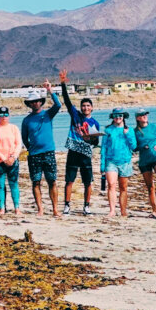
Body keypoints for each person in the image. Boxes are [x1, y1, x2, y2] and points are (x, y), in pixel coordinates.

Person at [59, 70, 101, 215]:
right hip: (73, 150)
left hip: (86, 153)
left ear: (92, 108)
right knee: (69, 180)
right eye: (83, 106)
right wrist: (63, 83)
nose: (85, 108)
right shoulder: (75, 115)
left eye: (88, 106)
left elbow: (96, 142)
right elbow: (66, 100)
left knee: (87, 182)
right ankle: (67, 205)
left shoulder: (95, 122)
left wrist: (90, 138)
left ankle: (87, 206)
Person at [20, 82, 62, 217]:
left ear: (41, 102)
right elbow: (24, 138)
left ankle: (55, 209)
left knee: (52, 181)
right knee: (36, 182)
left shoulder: (48, 114)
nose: (35, 104)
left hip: (49, 152)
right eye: (32, 102)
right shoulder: (26, 120)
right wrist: (32, 148)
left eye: (37, 101)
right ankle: (40, 209)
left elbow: (58, 105)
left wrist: (50, 90)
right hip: (34, 155)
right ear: (29, 104)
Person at [134, 109, 156, 218]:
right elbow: (134, 147)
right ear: (137, 118)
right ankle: (154, 211)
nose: (144, 116)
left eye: (145, 114)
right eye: (141, 115)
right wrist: (141, 147)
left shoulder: (154, 128)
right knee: (150, 186)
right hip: (144, 161)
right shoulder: (135, 131)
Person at [101, 109, 136, 218]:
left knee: (123, 188)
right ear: (112, 117)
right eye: (116, 115)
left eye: (120, 115)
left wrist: (127, 135)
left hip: (125, 161)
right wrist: (102, 164)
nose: (118, 117)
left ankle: (123, 211)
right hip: (110, 161)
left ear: (123, 117)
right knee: (111, 185)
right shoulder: (108, 130)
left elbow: (134, 147)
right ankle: (112, 211)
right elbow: (103, 148)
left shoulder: (129, 130)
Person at [0, 106, 22, 215]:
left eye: (6, 115)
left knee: (13, 184)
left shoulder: (14, 128)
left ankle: (17, 208)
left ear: (9, 115)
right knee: (0, 185)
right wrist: (3, 158)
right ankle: (2, 208)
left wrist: (13, 157)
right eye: (1, 115)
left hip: (12, 160)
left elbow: (18, 144)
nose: (4, 117)